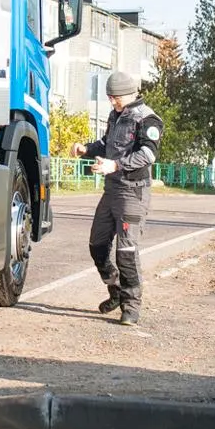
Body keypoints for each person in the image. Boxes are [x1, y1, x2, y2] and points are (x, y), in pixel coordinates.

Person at [71, 70, 164, 326]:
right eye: (109, 97)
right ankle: (115, 290)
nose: (111, 102)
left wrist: (115, 166)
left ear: (128, 93)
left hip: (133, 191)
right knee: (97, 245)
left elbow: (148, 155)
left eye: (114, 97)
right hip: (111, 190)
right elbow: (106, 143)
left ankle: (131, 306)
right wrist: (86, 149)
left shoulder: (148, 119)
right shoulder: (116, 115)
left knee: (126, 251)